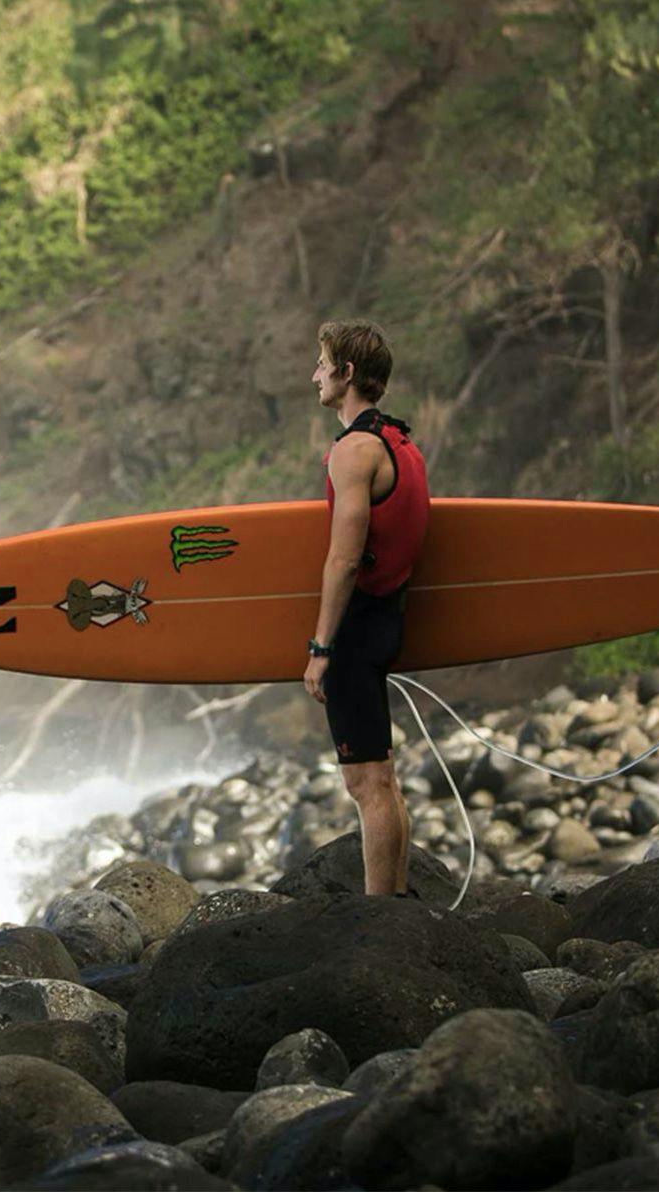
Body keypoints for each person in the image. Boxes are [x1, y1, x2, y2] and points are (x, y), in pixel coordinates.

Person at [302, 320, 430, 897]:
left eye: (322, 364)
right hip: (390, 619)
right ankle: (397, 897)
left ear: (346, 374)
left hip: (357, 629)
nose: (315, 375)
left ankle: (382, 918)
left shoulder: (354, 452)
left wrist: (320, 648)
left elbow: (343, 561)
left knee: (367, 784)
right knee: (384, 779)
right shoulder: (402, 444)